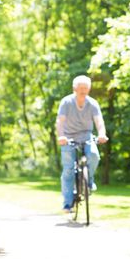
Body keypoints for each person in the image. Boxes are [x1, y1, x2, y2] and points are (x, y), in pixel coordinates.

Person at [56, 75, 109, 215]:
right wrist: (61, 136)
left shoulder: (92, 103)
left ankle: (89, 181)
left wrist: (102, 134)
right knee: (68, 169)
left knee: (94, 155)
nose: (83, 91)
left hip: (86, 136)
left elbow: (99, 122)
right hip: (68, 137)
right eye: (80, 88)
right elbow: (60, 122)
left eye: (86, 88)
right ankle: (67, 204)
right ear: (74, 89)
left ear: (89, 89)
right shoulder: (66, 102)